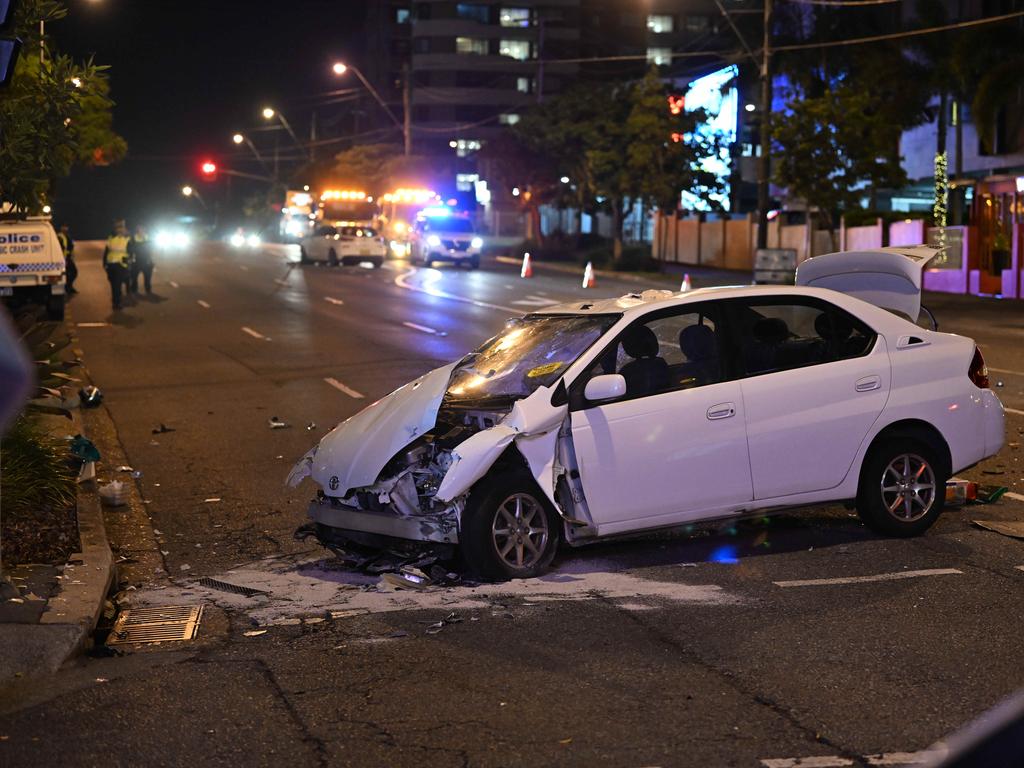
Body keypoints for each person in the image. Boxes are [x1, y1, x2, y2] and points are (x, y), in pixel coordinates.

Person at [102, 220, 132, 310]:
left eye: (121, 227)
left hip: (121, 265)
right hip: (111, 265)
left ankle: (116, 302)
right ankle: (116, 301)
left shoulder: (127, 239)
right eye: (118, 228)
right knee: (114, 285)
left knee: (117, 285)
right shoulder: (111, 238)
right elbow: (106, 251)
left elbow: (131, 252)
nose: (119, 229)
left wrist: (129, 262)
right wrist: (104, 263)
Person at [129, 224, 155, 295]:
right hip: (137, 260)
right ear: (137, 230)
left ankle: (148, 290)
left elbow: (152, 248)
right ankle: (134, 290)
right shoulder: (134, 238)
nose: (142, 231)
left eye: (143, 229)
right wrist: (130, 259)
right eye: (140, 229)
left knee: (148, 277)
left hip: (147, 260)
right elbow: (130, 249)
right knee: (134, 277)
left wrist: (151, 260)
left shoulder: (148, 237)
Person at [57, 223, 77, 294]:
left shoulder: (66, 236)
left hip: (68, 258)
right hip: (64, 259)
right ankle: (67, 288)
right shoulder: (60, 237)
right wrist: (64, 259)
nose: (65, 228)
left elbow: (70, 246)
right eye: (64, 227)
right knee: (73, 273)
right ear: (61, 228)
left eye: (66, 227)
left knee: (72, 273)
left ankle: (69, 287)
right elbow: (60, 249)